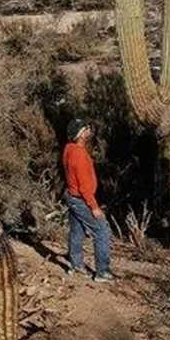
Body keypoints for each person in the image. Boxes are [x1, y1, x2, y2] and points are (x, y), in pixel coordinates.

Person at [62, 118, 114, 282]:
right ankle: (102, 272)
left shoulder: (69, 148)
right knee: (101, 230)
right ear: (81, 134)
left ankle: (76, 265)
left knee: (77, 231)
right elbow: (84, 188)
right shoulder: (79, 156)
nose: (89, 130)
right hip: (81, 199)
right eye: (86, 128)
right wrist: (94, 207)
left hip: (71, 196)